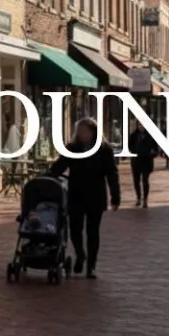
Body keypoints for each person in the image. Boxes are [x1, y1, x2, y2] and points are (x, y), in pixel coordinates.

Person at [50, 118, 120, 279]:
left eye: (84, 131)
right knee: (75, 229)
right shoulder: (72, 148)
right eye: (79, 131)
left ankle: (91, 266)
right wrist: (49, 175)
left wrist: (116, 196)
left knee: (92, 231)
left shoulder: (104, 150)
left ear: (93, 132)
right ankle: (80, 254)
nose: (81, 134)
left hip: (96, 195)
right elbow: (60, 165)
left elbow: (112, 173)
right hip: (76, 194)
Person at [128, 120, 159, 208]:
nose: (141, 126)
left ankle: (145, 199)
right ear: (137, 125)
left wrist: (152, 155)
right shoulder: (133, 136)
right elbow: (128, 147)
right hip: (136, 161)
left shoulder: (150, 136)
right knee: (136, 180)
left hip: (146, 161)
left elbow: (156, 149)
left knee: (145, 180)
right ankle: (138, 198)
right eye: (139, 125)